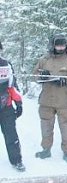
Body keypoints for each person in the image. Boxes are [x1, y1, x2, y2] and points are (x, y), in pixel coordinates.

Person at [33, 33, 67, 164]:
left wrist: (65, 80)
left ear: (66, 46)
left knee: (66, 127)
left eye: (63, 45)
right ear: (53, 45)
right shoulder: (45, 59)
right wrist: (41, 76)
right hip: (46, 100)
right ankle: (46, 149)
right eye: (58, 45)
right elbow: (34, 75)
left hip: (64, 101)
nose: (60, 47)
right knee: (45, 126)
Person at [0, 41, 25, 172]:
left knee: (11, 135)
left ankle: (16, 160)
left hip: (6, 106)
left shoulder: (5, 65)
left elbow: (12, 86)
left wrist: (18, 103)